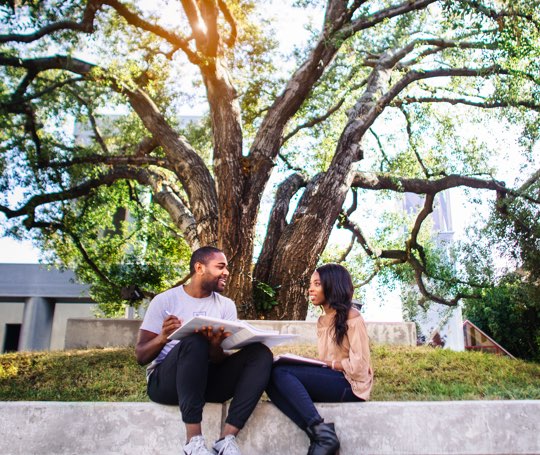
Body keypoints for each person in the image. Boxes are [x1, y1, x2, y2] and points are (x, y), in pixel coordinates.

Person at [135, 246, 273, 455]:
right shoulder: (164, 301)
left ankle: (226, 440)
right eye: (220, 267)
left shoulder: (226, 305)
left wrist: (215, 346)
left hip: (207, 381)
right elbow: (141, 356)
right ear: (199, 268)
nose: (226, 272)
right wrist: (163, 338)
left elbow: (219, 360)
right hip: (166, 384)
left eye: (226, 267)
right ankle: (194, 443)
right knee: (194, 340)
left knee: (260, 353)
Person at [266, 263, 373, 455]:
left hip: (352, 385)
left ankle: (323, 436)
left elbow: (360, 367)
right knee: (270, 377)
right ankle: (319, 435)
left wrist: (329, 364)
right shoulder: (323, 320)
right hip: (334, 377)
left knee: (282, 372)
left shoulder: (352, 316)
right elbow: (326, 361)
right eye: (310, 284)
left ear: (332, 285)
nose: (310, 289)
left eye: (317, 284)